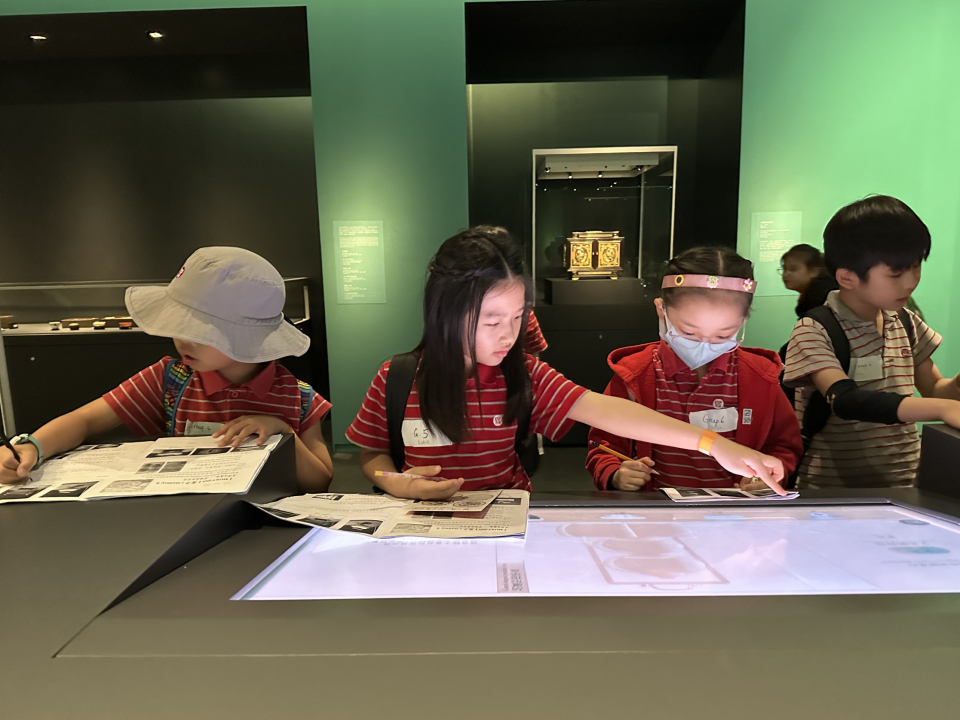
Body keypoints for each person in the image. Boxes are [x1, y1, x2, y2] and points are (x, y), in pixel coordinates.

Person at [346, 226, 787, 500]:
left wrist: (713, 444)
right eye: (492, 321)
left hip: (506, 522)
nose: (508, 335)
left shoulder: (524, 373)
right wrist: (392, 480)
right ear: (444, 312)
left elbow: (607, 410)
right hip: (416, 529)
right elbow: (372, 455)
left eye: (517, 318)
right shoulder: (398, 377)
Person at [0, 247, 334, 492]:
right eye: (178, 326)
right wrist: (32, 446)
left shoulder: (297, 396)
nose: (183, 340)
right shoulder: (170, 379)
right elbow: (85, 419)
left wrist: (282, 432)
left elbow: (320, 480)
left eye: (201, 332)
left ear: (249, 338)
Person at [585, 247, 802, 492]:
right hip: (657, 509)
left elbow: (784, 446)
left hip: (736, 510)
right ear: (661, 311)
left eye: (723, 335)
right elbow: (603, 445)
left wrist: (771, 474)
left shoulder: (759, 377)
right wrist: (615, 472)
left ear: (744, 320)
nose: (704, 345)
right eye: (688, 332)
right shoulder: (635, 375)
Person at [783, 195, 960, 487]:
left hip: (905, 483)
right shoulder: (814, 330)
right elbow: (846, 400)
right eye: (896, 274)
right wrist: (941, 409)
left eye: (916, 266)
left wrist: (955, 387)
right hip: (831, 490)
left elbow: (935, 388)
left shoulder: (906, 321)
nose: (911, 282)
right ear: (847, 277)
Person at [780, 244, 839, 318]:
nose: (786, 273)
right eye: (785, 269)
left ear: (814, 271)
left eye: (793, 269)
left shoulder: (821, 299)